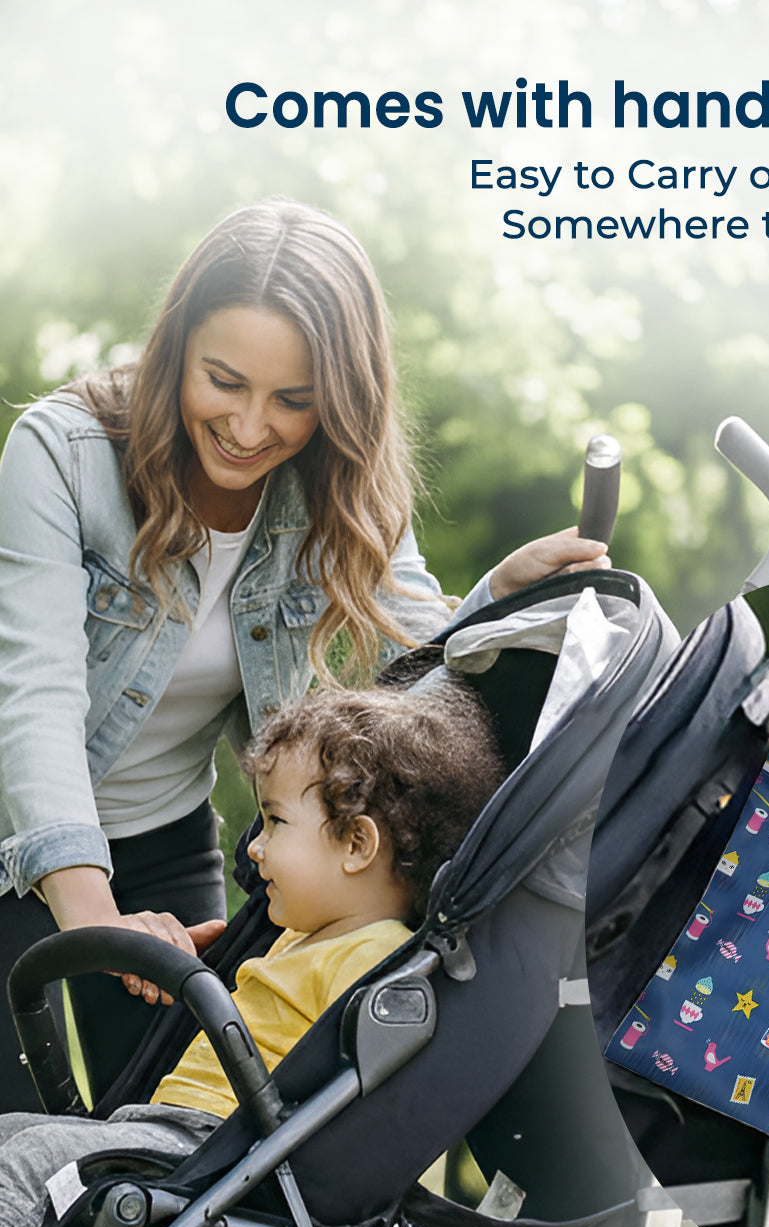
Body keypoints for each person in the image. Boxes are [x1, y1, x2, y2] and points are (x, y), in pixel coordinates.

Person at [0, 198, 606, 1109]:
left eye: (293, 400)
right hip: (18, 838)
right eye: (224, 380)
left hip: (162, 844)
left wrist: (495, 600)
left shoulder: (340, 490)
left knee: (185, 1143)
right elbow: (36, 697)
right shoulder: (63, 455)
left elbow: (402, 684)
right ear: (175, 353)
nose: (250, 427)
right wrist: (95, 925)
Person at [0, 677, 504, 1227]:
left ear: (357, 843)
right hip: (163, 1129)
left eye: (274, 822)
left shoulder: (377, 960)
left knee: (28, 1165)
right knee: (12, 1135)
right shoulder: (299, 934)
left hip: (217, 1151)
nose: (255, 848)